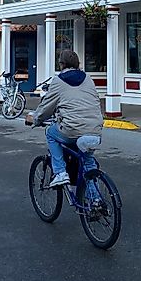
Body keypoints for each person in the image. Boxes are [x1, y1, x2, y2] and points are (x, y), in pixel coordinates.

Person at [25, 49, 103, 188]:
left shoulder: (58, 81)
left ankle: (60, 172)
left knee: (50, 133)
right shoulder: (88, 78)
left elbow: (46, 107)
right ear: (77, 64)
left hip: (71, 129)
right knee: (88, 164)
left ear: (61, 64)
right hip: (95, 129)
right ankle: (96, 201)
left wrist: (35, 118)